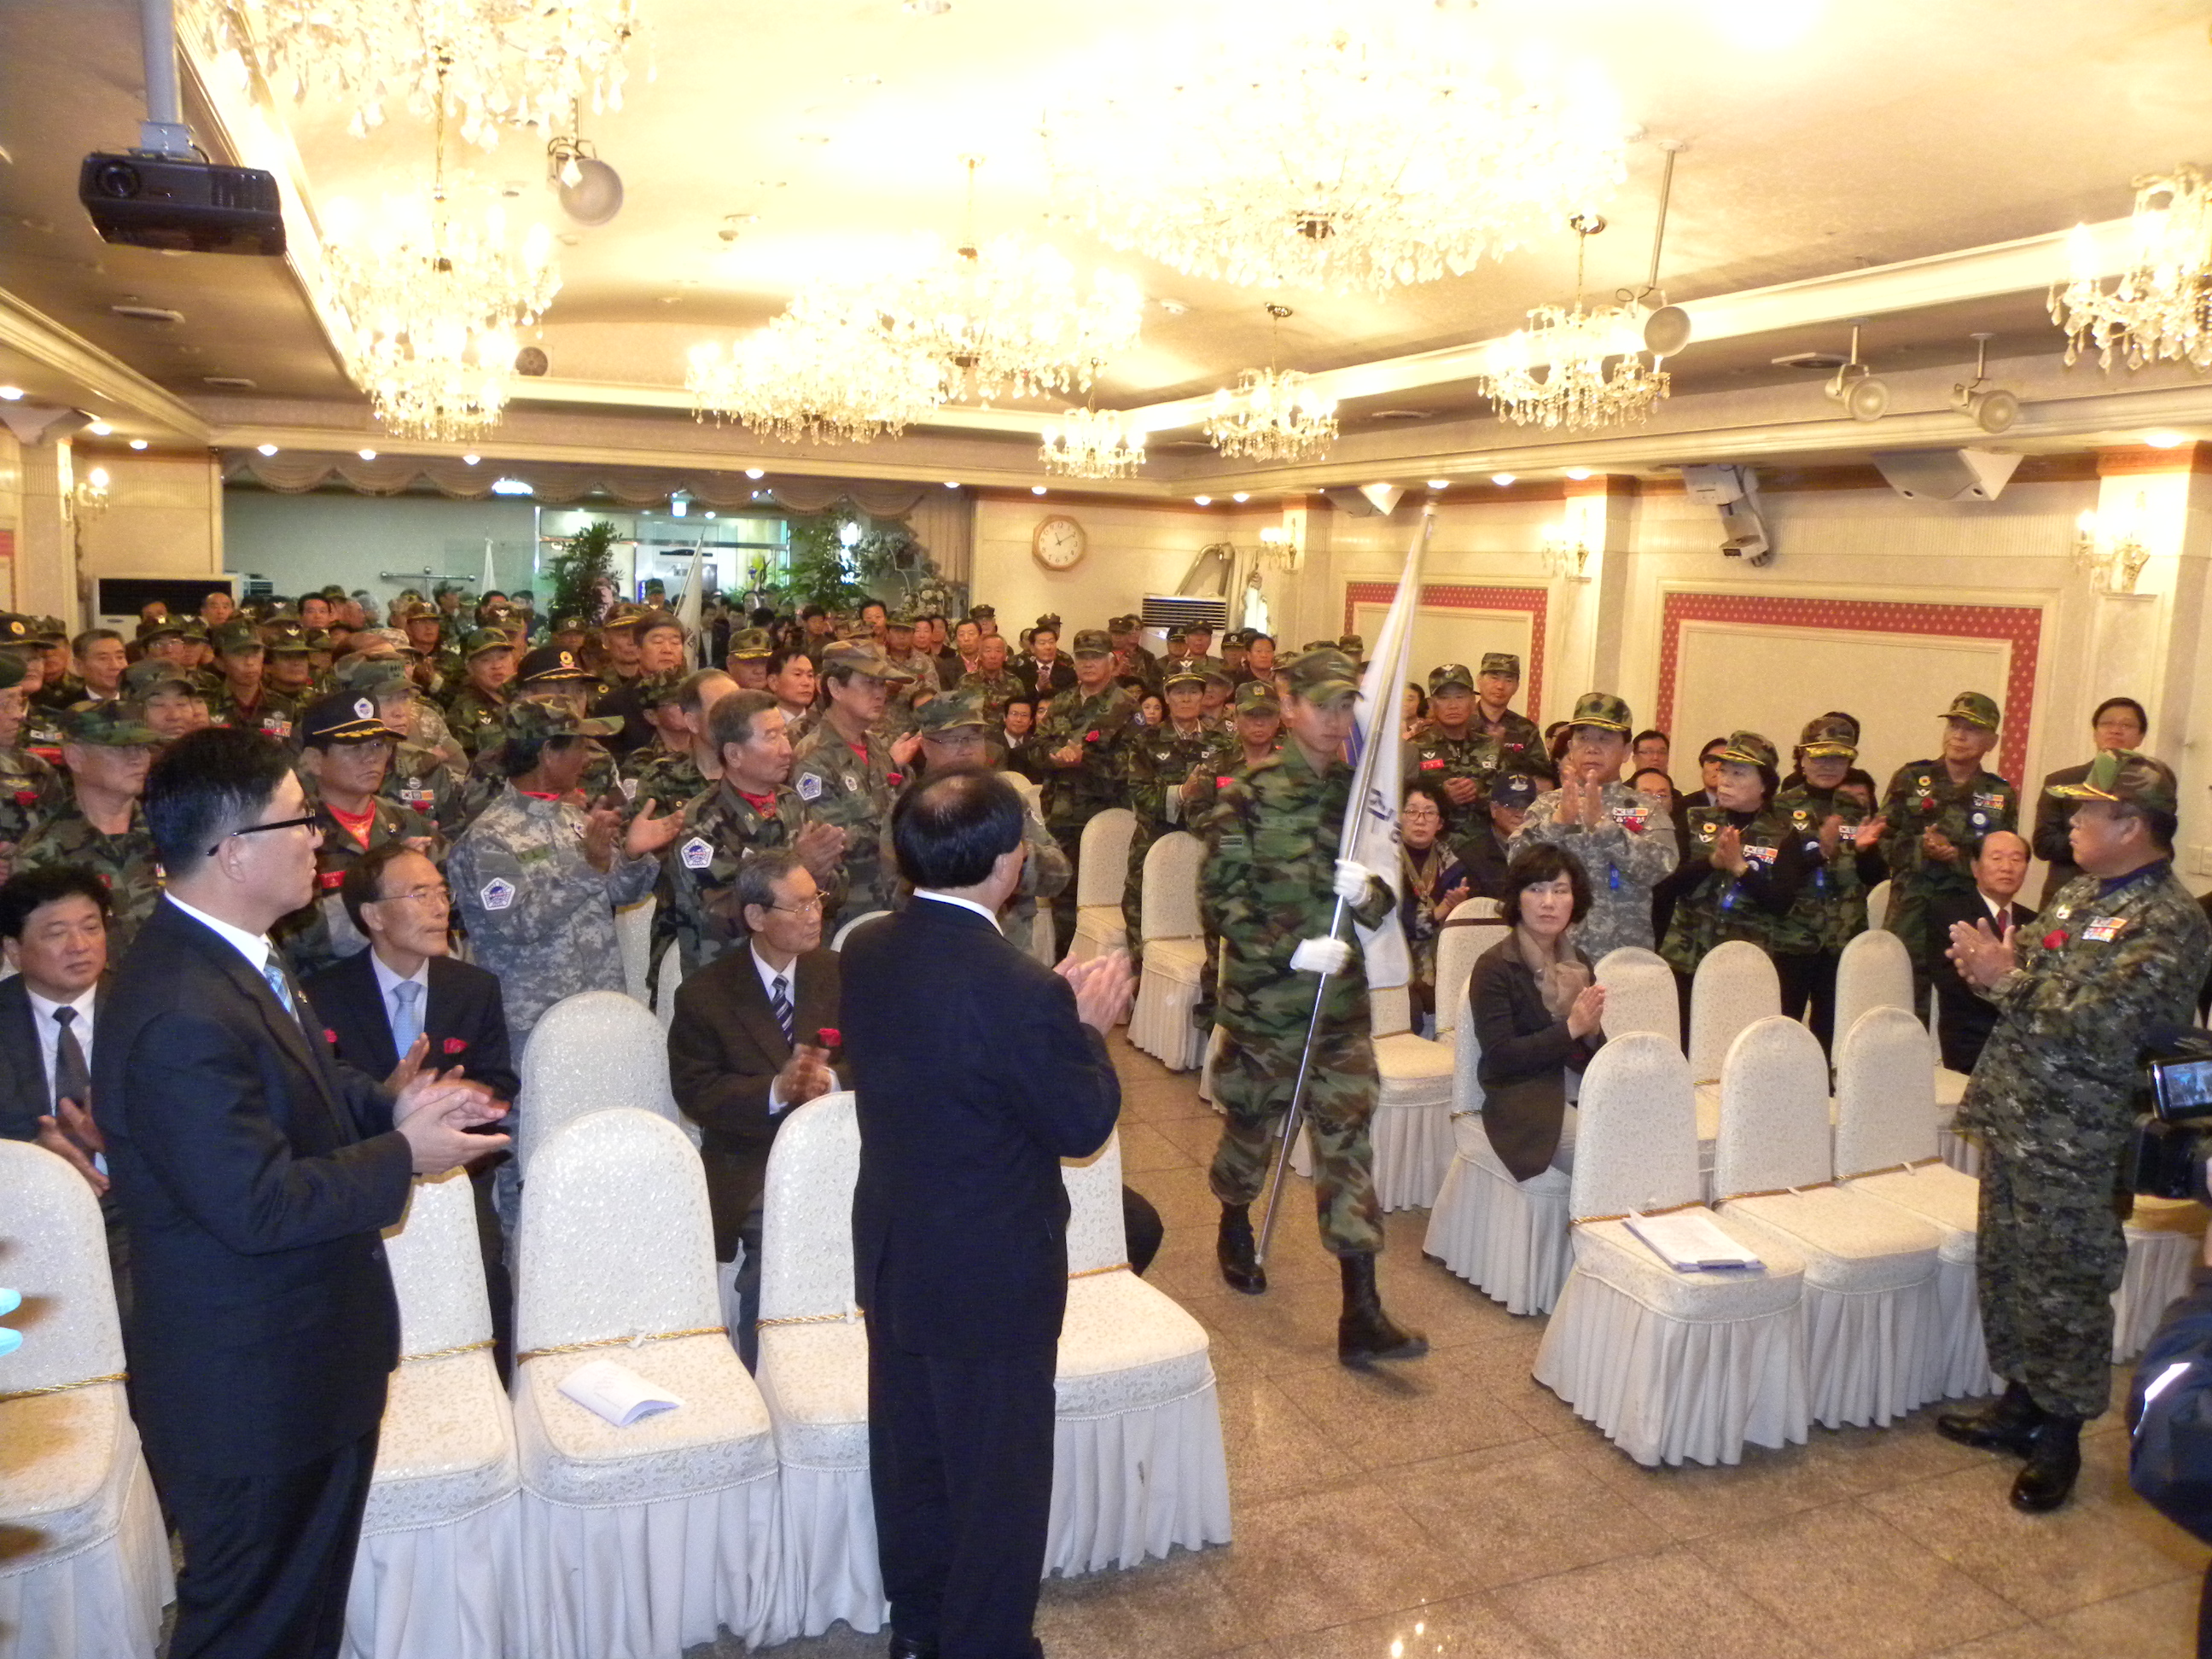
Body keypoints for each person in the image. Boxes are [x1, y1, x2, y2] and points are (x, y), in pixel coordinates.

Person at [91, 726, 504, 1659]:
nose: (319, 838)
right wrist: (404, 1154)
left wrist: (390, 1103)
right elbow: (258, 1204)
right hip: (252, 1391)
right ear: (234, 851)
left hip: (307, 1363)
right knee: (254, 1628)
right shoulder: (179, 1009)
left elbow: (304, 1088)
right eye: (298, 820)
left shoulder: (240, 956)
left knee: (304, 1617)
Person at [845, 769, 1132, 1659]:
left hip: (896, 1250)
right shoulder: (1020, 989)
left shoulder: (866, 948)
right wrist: (1085, 1031)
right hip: (991, 1271)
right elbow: (1079, 1125)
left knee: (913, 1458)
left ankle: (918, 1630)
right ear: (1009, 862)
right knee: (997, 1484)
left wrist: (1051, 1022)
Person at [1938, 750, 2212, 1512]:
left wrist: (2006, 977)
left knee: (2069, 1283)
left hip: (2083, 1135)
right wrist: (1992, 971)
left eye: (2090, 810)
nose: (2075, 821)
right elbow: (2034, 985)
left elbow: (2113, 1024)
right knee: (2010, 1269)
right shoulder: (2078, 894)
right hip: (2020, 1114)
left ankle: (2061, 1434)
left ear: (2132, 825)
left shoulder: (2170, 920)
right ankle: (2020, 1403)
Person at [1203, 648, 1426, 1364]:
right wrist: (1287, 951)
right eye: (1322, 705)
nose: (1335, 720)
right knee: (1252, 1127)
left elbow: (1388, 897)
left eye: (1345, 706)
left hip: (1339, 1008)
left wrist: (1368, 894)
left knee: (1347, 1142)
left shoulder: (1361, 800)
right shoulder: (1249, 794)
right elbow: (1218, 897)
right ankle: (1234, 1216)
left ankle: (1361, 1310)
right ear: (1288, 706)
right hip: (1267, 1003)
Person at [304, 843, 520, 1375]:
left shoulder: (474, 988)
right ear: (373, 915)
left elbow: (500, 1086)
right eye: (419, 894)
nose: (440, 907)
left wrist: (452, 1099)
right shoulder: (321, 996)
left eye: (442, 893)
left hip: (453, 1177)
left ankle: (491, 1388)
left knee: (487, 1283)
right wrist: (387, 1098)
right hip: (363, 1176)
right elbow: (315, 1102)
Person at [667, 849, 841, 1371]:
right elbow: (696, 1092)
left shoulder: (840, 974)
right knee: (780, 1243)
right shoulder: (706, 994)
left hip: (839, 1149)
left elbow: (885, 1058)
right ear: (756, 917)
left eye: (817, 900)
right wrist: (775, 1091)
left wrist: (830, 1080)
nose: (814, 915)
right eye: (799, 906)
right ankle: (767, 1376)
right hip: (751, 1161)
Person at [447, 701, 678, 1070]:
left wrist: (634, 855)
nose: (587, 759)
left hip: (601, 1006)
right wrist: (588, 867)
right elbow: (519, 923)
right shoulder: (489, 837)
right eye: (579, 747)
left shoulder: (574, 819)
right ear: (548, 753)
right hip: (535, 1021)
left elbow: (622, 894)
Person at [0, 866, 126, 1307]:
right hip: (20, 1223)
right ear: (13, 950)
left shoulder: (147, 1008)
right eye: (56, 933)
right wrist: (28, 1159)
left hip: (137, 1217)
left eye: (91, 928)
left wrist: (117, 1140)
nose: (79, 945)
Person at [660, 689, 847, 982]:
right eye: (772, 738)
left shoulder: (792, 802)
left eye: (785, 734)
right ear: (734, 754)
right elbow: (723, 917)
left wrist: (821, 878)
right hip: (732, 980)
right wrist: (800, 869)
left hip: (799, 969)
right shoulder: (702, 823)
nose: (787, 750)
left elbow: (838, 894)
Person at [1470, 844, 1608, 1181]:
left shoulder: (1578, 962)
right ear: (1517, 899)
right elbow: (1500, 1057)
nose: (1548, 902)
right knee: (1604, 1158)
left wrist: (1591, 1032)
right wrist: (1572, 1028)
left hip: (1579, 1085)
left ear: (1574, 900)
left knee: (1645, 1137)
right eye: (1535, 889)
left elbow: (1594, 1051)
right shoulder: (1495, 966)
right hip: (1525, 1096)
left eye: (1560, 891)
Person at [1510, 692, 1679, 959]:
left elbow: (1662, 867)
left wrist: (1606, 830)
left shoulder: (1646, 808)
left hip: (1621, 953)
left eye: (1604, 739)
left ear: (1626, 751)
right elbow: (1516, 863)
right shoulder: (1548, 805)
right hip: (1552, 952)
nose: (1592, 748)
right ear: (1571, 747)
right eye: (1584, 738)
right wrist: (1557, 824)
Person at [1879, 691, 2019, 1008]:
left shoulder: (2000, 793)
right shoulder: (1911, 777)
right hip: (1911, 912)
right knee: (1901, 1000)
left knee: (1961, 1002)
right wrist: (1922, 847)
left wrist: (1957, 857)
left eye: (1972, 729)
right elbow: (1881, 841)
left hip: (1965, 914)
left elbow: (2003, 857)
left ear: (1991, 741)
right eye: (1954, 726)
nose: (1959, 735)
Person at [1659, 731, 1806, 1014]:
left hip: (1744, 963)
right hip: (1687, 957)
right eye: (1724, 770)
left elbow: (1782, 904)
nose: (1724, 779)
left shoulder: (1783, 833)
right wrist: (1712, 862)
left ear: (1764, 784)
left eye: (1738, 773)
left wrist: (1741, 868)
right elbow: (1666, 886)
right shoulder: (1694, 818)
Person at [1771, 715, 1887, 1052]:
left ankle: (1823, 1078)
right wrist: (1819, 851)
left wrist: (1866, 851)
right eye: (1819, 757)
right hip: (1792, 935)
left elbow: (1874, 876)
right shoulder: (1779, 807)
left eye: (1837, 758)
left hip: (1843, 935)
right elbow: (1775, 873)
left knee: (1831, 1026)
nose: (1828, 765)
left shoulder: (1857, 807)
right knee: (1784, 1023)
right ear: (1802, 759)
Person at [792, 640, 919, 930]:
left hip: (894, 905)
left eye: (882, 684)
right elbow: (835, 841)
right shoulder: (813, 758)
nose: (880, 693)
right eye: (869, 683)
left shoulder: (875, 746)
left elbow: (904, 805)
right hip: (848, 914)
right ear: (836, 688)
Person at [17, 701, 163, 952]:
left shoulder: (175, 836)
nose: (137, 758)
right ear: (75, 757)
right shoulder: (41, 853)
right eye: (120, 747)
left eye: (142, 746)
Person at [1034, 629, 1138, 955]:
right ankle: (1064, 970)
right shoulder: (1061, 701)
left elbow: (1134, 765)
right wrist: (1053, 756)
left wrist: (1085, 761)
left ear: (1112, 661)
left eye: (1095, 657)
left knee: (1101, 905)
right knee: (1062, 901)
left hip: (1103, 819)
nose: (1088, 663)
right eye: (1082, 657)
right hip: (1061, 817)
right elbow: (1036, 746)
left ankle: (1098, 975)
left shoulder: (1126, 706)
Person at [1927, 829, 2035, 1075]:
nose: (2007, 867)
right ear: (1975, 867)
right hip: (1973, 1038)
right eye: (1996, 858)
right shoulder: (1949, 912)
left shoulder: (2034, 920)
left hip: (2027, 1040)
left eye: (2016, 859)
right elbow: (1951, 983)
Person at [2032, 696, 2147, 907]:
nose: (2116, 730)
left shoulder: (2151, 787)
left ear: (2140, 737)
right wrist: (2099, 843)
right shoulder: (2061, 781)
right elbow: (2044, 844)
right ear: (2095, 733)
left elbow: (2161, 846)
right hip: (2065, 897)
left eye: (2126, 725)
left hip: (2129, 898)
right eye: (2107, 723)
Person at [1398, 778, 1470, 1027]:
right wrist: (1440, 912)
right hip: (1397, 959)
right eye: (1412, 811)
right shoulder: (1386, 861)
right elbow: (1397, 919)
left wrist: (1457, 909)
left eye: (1429, 813)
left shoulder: (1452, 864)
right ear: (1398, 817)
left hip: (1441, 959)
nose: (1420, 820)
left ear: (1440, 823)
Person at [0, 648, 66, 877]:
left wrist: (20, 860)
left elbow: (61, 838)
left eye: (18, 703)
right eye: (4, 705)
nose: (17, 715)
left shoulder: (34, 768)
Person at [1458, 771, 1537, 901]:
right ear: (1494, 809)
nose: (1520, 813)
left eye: (1526, 806)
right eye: (1511, 806)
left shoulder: (1544, 848)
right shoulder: (1472, 856)